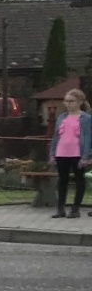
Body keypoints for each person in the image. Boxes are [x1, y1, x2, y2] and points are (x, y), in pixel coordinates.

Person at [49, 88, 91, 218]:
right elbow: (56, 137)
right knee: (62, 180)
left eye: (71, 101)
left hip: (77, 153)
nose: (68, 104)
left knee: (79, 180)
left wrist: (86, 156)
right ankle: (60, 208)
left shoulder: (86, 118)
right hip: (62, 152)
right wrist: (52, 153)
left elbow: (88, 137)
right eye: (66, 101)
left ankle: (75, 208)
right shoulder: (62, 117)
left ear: (79, 102)